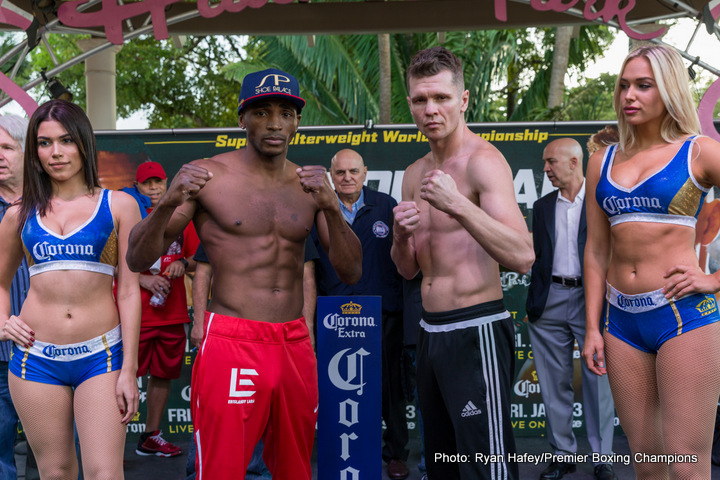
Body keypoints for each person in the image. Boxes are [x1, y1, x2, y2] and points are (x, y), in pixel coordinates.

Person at [126, 68, 362, 479]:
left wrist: (329, 206)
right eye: (262, 111)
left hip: (293, 342)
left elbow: (351, 269)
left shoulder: (310, 186)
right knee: (221, 468)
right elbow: (136, 258)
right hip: (232, 339)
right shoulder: (208, 176)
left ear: (297, 122)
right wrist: (166, 202)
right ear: (241, 118)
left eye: (286, 112)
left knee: (295, 467)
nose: (274, 123)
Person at [391, 46, 534, 480]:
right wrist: (400, 237)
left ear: (464, 100)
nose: (430, 109)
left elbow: (523, 256)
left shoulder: (483, 162)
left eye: (441, 98)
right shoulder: (414, 173)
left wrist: (459, 206)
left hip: (477, 330)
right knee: (443, 463)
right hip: (430, 333)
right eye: (420, 100)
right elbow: (408, 270)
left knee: (485, 465)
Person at [582, 44, 720, 479]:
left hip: (684, 316)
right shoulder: (601, 160)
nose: (629, 96)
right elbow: (596, 250)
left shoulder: (699, 152)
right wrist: (591, 327)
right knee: (649, 468)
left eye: (644, 86)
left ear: (669, 90)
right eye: (624, 86)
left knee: (686, 469)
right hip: (621, 322)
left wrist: (714, 280)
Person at [0, 99, 141, 479]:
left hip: (101, 357)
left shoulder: (120, 205)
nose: (56, 152)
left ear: (83, 143)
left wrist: (130, 368)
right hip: (36, 359)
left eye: (65, 140)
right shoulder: (19, 213)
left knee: (104, 473)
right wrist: (3, 321)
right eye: (44, 143)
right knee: (56, 472)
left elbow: (129, 292)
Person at [310, 148, 409, 479]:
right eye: (340, 173)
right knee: (336, 388)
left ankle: (395, 452)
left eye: (353, 171)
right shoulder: (320, 211)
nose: (347, 178)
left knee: (389, 386)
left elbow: (403, 258)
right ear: (330, 175)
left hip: (382, 312)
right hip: (333, 313)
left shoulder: (386, 206)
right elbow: (310, 266)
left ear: (365, 173)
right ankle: (340, 449)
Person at [526, 138, 617, 480]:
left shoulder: (600, 202)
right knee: (552, 384)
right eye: (544, 162)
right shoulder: (542, 205)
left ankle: (603, 458)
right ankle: (563, 453)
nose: (546, 168)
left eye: (551, 162)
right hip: (548, 301)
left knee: (597, 382)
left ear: (574, 162)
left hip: (591, 300)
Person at [133, 161, 199, 458]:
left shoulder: (181, 215)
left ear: (168, 182)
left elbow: (201, 257)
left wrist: (182, 263)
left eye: (158, 182)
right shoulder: (130, 214)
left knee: (162, 375)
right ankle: (106, 436)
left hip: (171, 313)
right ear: (137, 187)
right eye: (147, 183)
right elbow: (108, 265)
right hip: (136, 315)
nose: (154, 188)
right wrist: (142, 279)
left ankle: (151, 435)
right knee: (120, 375)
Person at [0, 115, 30, 480]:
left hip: (52, 353)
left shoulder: (57, 205)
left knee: (58, 461)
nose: (0, 156)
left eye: (6, 147)